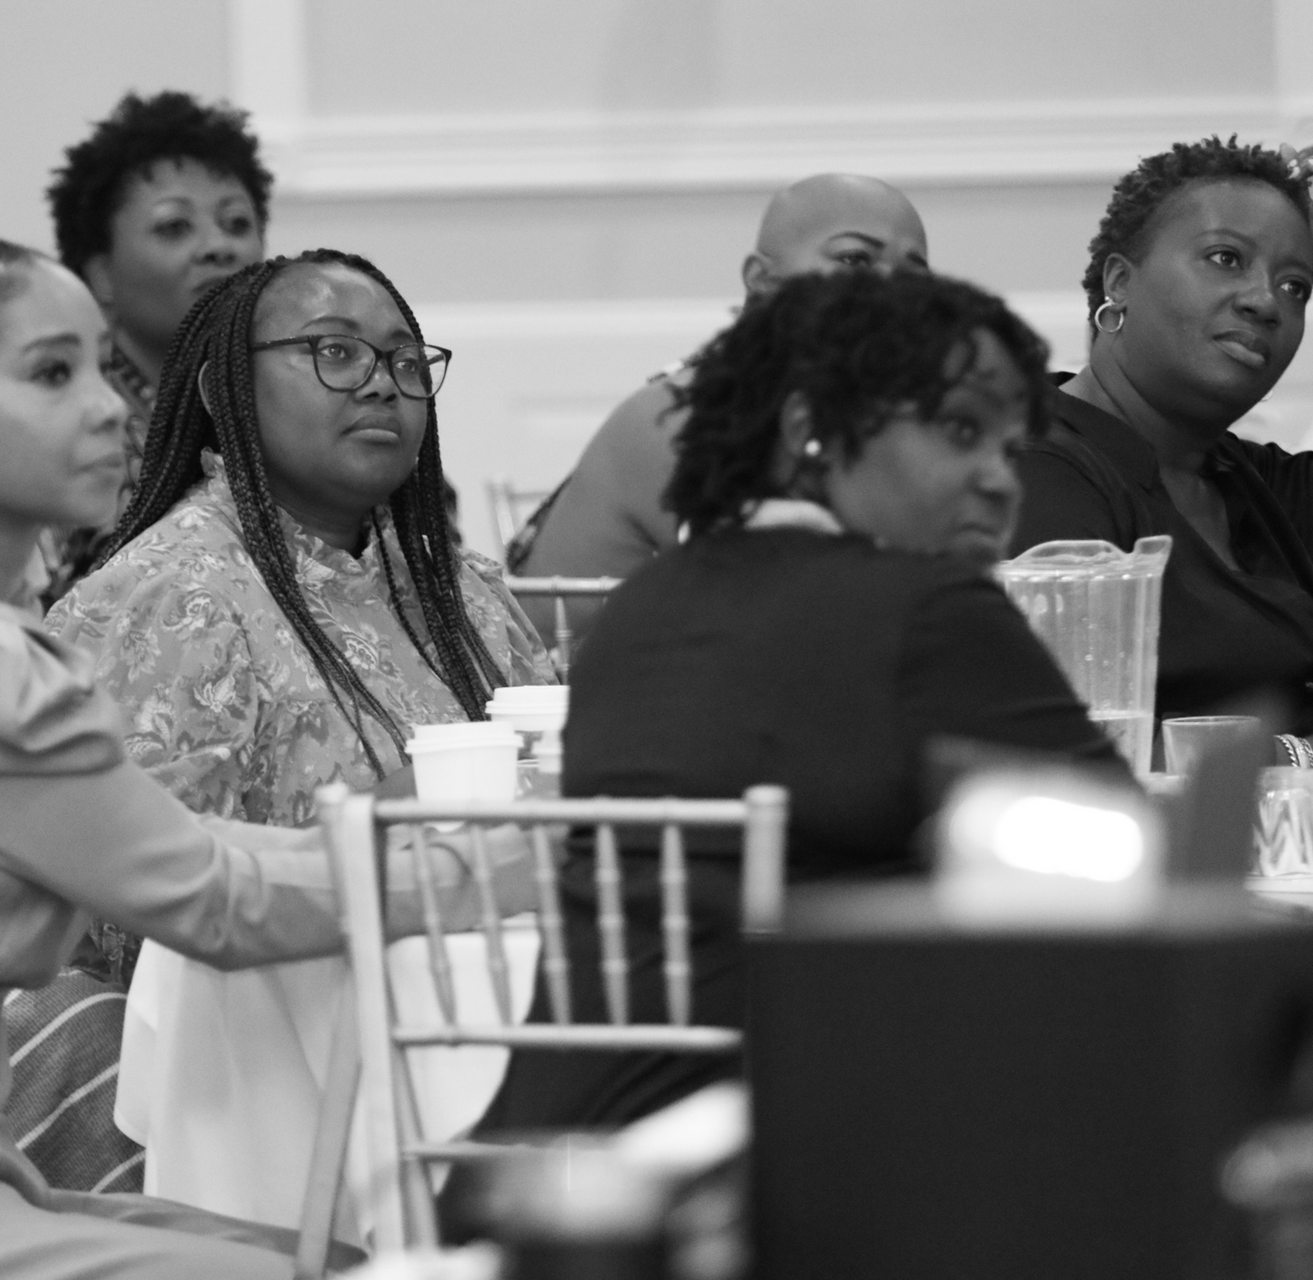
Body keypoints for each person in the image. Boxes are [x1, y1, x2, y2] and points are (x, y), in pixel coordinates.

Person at [0, 234, 529, 1280]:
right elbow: (214, 899)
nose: (110, 405)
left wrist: (391, 831)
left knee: (344, 1254)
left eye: (96, 365)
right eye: (50, 374)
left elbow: (173, 845)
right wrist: (487, 860)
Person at [475, 269, 1124, 1139]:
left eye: (1011, 448)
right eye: (961, 431)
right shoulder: (926, 612)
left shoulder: (642, 605)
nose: (1001, 480)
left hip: (547, 1166)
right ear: (811, 428)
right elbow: (1141, 884)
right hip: (771, 1180)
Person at [47, 248, 553, 1233]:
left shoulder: (463, 589)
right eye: (335, 352)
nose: (382, 381)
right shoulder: (170, 596)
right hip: (262, 1057)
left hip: (491, 999)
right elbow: (126, 916)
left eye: (408, 361)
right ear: (219, 387)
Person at [508, 173, 930, 640]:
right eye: (855, 259)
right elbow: (804, 609)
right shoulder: (686, 416)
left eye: (913, 275)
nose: (889, 287)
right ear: (762, 279)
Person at [1012, 137, 1313, 739]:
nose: (1265, 301)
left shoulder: (1257, 484)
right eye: (1227, 258)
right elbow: (1075, 750)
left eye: (1295, 287)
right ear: (1119, 282)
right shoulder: (1038, 471)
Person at [44, 89, 272, 598]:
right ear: (100, 274)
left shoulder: (298, 397)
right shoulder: (71, 426)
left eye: (238, 223)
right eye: (175, 227)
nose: (220, 247)